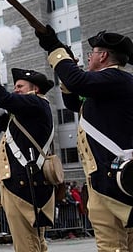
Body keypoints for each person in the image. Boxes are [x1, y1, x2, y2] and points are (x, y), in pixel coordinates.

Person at [35, 27, 133, 251]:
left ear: (103, 56)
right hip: (112, 177)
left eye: (93, 52)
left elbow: (78, 81)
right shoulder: (109, 85)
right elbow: (74, 103)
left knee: (112, 246)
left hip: (112, 179)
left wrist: (56, 49)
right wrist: (68, 68)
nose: (89, 57)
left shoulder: (115, 78)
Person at [0, 66, 55, 251]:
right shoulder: (26, 113)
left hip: (23, 185)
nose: (16, 90)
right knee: (35, 242)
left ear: (35, 89)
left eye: (20, 86)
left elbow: (5, 99)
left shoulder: (35, 103)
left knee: (25, 244)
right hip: (24, 183)